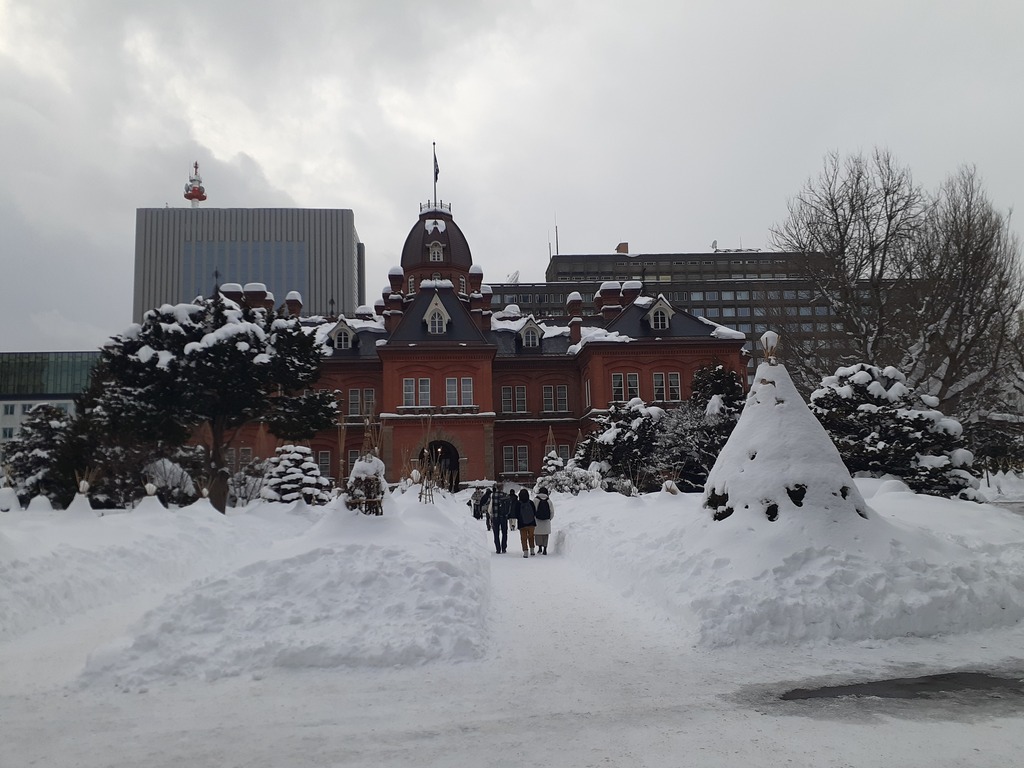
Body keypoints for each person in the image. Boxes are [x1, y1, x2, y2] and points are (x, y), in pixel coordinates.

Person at [485, 487, 510, 554]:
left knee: (496, 534)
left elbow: (489, 508)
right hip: (504, 517)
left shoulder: (492, 496)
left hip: (495, 517)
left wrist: (490, 515)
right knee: (504, 533)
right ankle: (504, 548)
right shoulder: (506, 495)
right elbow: (508, 506)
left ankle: (498, 549)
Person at [515, 488, 537, 557]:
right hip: (531, 523)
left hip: (522, 523)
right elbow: (534, 512)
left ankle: (525, 552)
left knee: (523, 538)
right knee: (531, 536)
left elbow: (516, 514)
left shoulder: (518, 503)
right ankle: (532, 550)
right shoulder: (530, 502)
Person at [533, 487, 554, 555]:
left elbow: (533, 510)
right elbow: (552, 511)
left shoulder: (535, 500)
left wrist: (534, 518)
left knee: (538, 535)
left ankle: (539, 548)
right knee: (545, 535)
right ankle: (545, 549)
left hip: (537, 520)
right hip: (546, 521)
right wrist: (549, 518)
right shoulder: (549, 500)